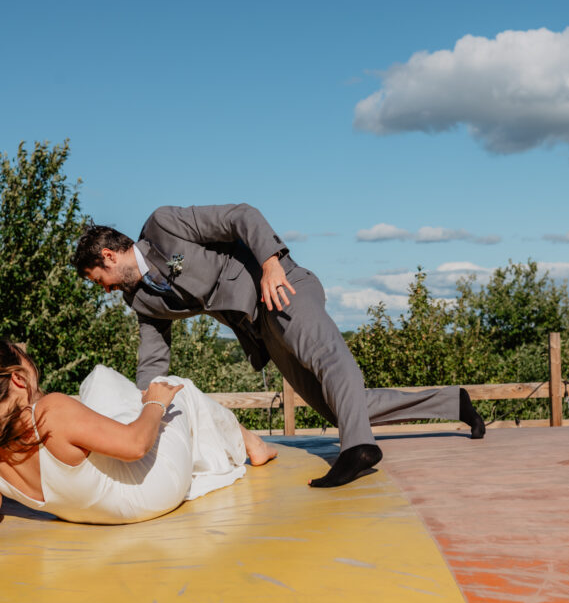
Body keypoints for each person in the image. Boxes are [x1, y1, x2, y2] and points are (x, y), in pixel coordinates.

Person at [73, 204, 486, 489]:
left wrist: (271, 263)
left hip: (282, 286)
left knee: (327, 354)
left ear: (109, 256)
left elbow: (241, 215)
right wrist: (144, 406)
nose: (104, 290)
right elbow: (153, 361)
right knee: (338, 404)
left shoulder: (164, 225)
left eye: (98, 280)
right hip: (259, 326)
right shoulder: (140, 300)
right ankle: (452, 403)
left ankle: (359, 448)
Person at [0, 341, 276, 535]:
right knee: (174, 386)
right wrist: (155, 403)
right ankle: (252, 444)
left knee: (104, 388)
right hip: (152, 492)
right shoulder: (49, 412)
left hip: (95, 515)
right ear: (18, 379)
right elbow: (135, 445)